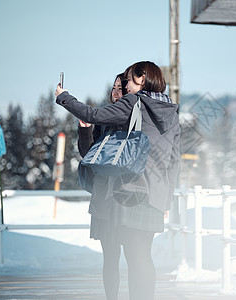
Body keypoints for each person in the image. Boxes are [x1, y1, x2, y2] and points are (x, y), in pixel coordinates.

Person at [55, 61, 180, 300]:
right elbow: (174, 162)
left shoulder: (135, 102)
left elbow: (93, 114)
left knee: (133, 259)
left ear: (143, 79)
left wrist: (64, 97)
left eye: (130, 79)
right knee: (142, 258)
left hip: (128, 189)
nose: (126, 85)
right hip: (153, 193)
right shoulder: (172, 112)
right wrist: (166, 199)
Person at [77, 73, 127, 300]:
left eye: (121, 87)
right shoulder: (102, 117)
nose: (116, 91)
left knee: (135, 255)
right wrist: (86, 129)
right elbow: (88, 154)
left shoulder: (135, 117)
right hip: (104, 195)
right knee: (110, 256)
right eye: (114, 87)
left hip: (126, 195)